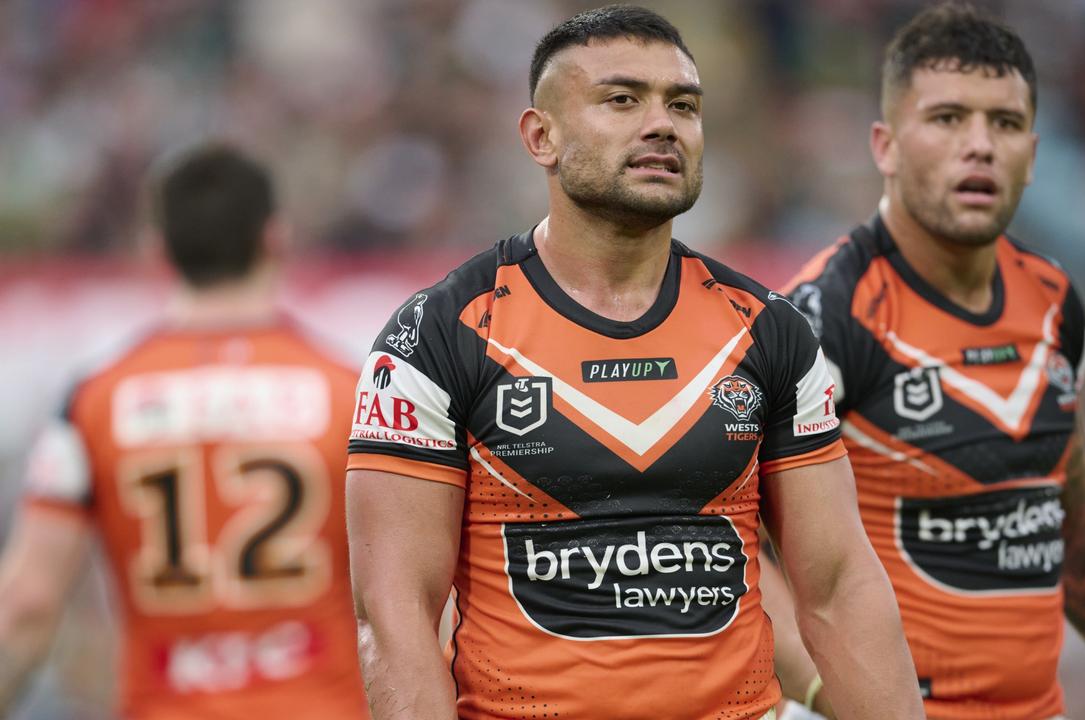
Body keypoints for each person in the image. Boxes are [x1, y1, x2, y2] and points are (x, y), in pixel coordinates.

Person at [345, 6, 923, 720]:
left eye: (683, 105)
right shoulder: (437, 335)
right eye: (622, 100)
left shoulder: (769, 332)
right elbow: (394, 611)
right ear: (541, 136)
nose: (663, 124)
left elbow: (837, 587)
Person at [778, 4, 1085, 719]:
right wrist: (831, 701)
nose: (978, 145)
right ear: (884, 145)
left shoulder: (1054, 302)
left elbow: (1065, 516)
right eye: (947, 119)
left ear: (1033, 155)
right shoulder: (820, 320)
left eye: (1004, 124)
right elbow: (740, 548)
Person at [0, 144, 370, 720]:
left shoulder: (93, 400)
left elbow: (27, 603)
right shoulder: (352, 395)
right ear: (274, 237)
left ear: (158, 249)